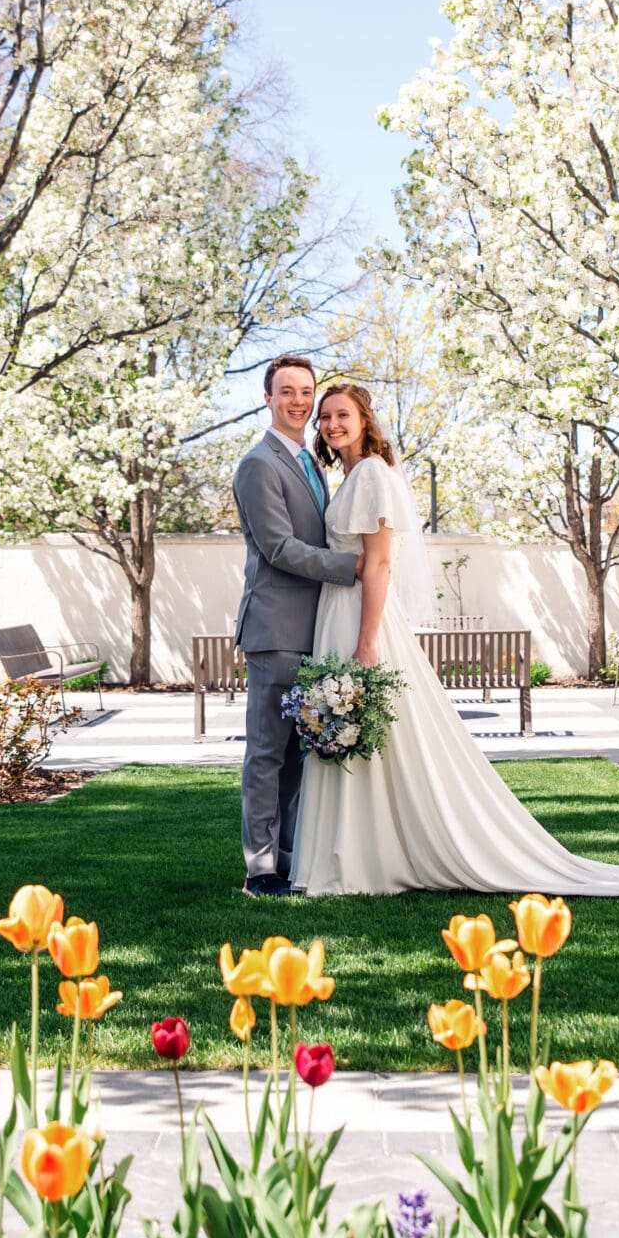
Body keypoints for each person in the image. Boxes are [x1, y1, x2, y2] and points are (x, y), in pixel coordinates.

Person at [290, 381, 619, 901]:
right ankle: (356, 852)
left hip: (362, 617)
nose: (333, 425)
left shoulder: (372, 478)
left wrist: (366, 641)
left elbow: (380, 564)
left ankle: (364, 858)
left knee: (374, 731)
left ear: (365, 422)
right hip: (341, 612)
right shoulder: (354, 475)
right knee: (365, 733)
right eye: (327, 418)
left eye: (343, 416)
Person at [232, 354, 363, 895]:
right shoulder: (259, 464)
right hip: (275, 630)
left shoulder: (310, 461)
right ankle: (259, 870)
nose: (299, 401)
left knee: (295, 755)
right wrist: (352, 568)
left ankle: (287, 859)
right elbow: (280, 548)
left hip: (313, 631)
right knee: (267, 752)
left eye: (306, 391)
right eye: (287, 391)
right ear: (268, 397)